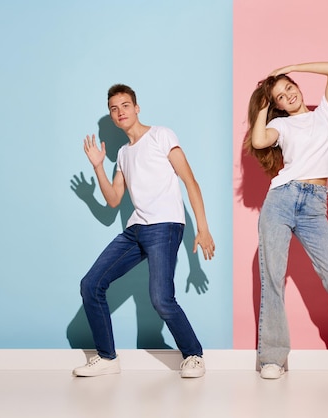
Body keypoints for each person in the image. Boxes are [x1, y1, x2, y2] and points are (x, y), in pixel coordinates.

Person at [243, 62, 328, 382]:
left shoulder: (324, 114)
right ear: (277, 106)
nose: (289, 95)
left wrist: (290, 67)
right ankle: (272, 358)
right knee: (272, 278)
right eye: (280, 97)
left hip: (315, 207)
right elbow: (259, 141)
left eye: (291, 88)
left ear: (299, 89)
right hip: (281, 201)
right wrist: (262, 104)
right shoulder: (282, 128)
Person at [73, 84, 215, 378]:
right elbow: (114, 200)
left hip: (164, 225)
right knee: (91, 284)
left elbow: (190, 181)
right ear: (112, 117)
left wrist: (203, 229)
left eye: (125, 105)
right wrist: (99, 167)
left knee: (161, 298)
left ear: (136, 108)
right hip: (136, 229)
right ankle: (107, 358)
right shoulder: (123, 154)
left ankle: (193, 355)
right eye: (114, 108)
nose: (120, 111)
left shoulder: (162, 135)